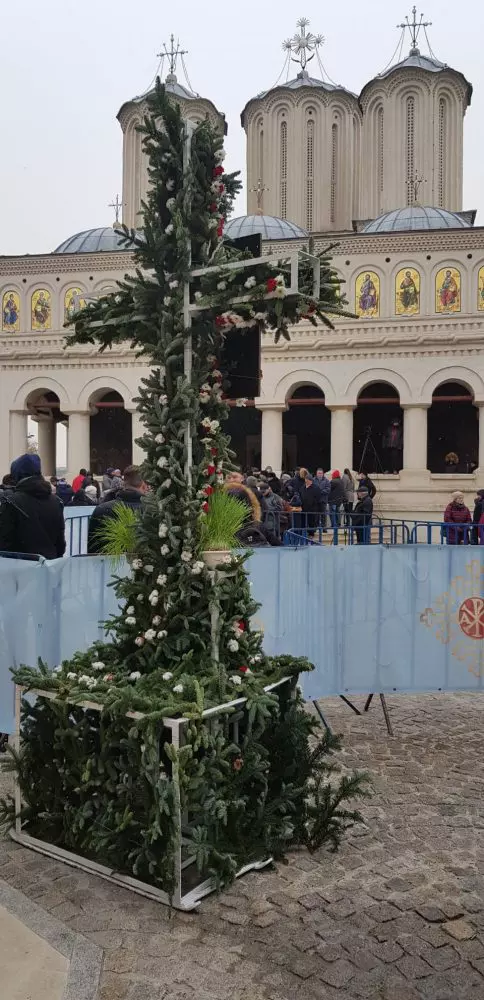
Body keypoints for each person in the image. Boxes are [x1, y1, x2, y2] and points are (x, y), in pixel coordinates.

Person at [0, 453, 65, 559]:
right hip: (49, 568)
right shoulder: (57, 502)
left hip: (19, 569)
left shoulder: (11, 502)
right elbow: (60, 545)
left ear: (17, 475)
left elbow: (4, 545)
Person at [88, 465, 148, 554]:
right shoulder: (151, 511)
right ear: (144, 485)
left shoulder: (101, 510)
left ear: (124, 483)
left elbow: (92, 550)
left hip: (107, 565)